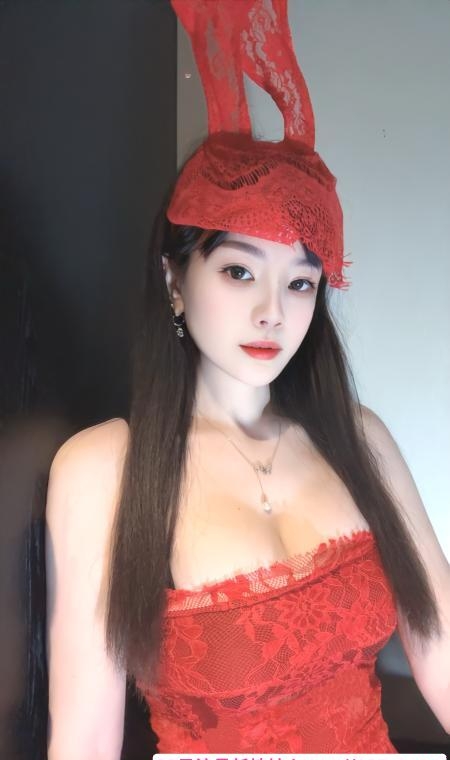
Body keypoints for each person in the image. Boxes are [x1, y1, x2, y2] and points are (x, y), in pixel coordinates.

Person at [45, 1, 450, 757]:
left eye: (300, 283)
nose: (272, 311)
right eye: (238, 271)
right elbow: (86, 738)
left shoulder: (357, 436)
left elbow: (442, 644)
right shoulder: (104, 468)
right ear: (174, 278)